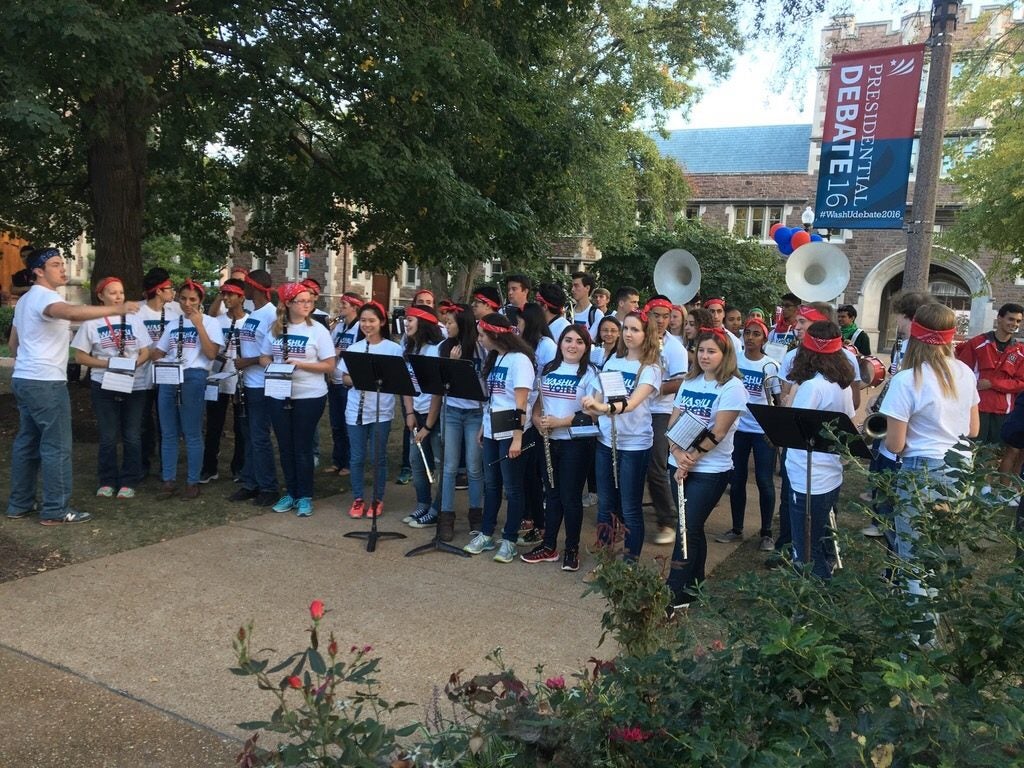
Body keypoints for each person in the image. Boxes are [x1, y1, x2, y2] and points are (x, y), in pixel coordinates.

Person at [7, 248, 141, 525]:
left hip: (24, 378)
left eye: (63, 263)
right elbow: (68, 312)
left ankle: (19, 503)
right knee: (56, 446)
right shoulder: (46, 297)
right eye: (55, 265)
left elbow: (12, 345)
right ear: (38, 271)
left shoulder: (23, 302)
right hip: (46, 382)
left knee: (27, 442)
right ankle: (56, 509)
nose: (63, 269)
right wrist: (117, 308)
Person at [881, 304, 979, 603]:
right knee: (941, 551)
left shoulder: (907, 379)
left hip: (922, 471)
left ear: (916, 335)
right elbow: (973, 429)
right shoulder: (963, 372)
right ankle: (935, 622)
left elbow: (894, 446)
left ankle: (919, 640)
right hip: (961, 469)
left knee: (914, 556)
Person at [665, 326, 746, 614]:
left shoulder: (732, 387)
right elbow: (673, 423)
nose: (704, 356)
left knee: (686, 529)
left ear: (725, 355)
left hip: (710, 469)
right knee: (693, 529)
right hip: (678, 465)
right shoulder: (690, 381)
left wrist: (690, 458)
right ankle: (693, 588)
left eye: (712, 351)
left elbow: (720, 431)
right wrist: (676, 453)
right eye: (701, 350)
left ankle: (672, 593)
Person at [582, 310, 663, 563]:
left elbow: (632, 403)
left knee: (630, 508)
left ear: (646, 333)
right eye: (625, 328)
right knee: (605, 505)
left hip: (634, 445)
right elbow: (597, 394)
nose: (628, 334)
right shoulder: (613, 362)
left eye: (635, 329)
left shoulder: (650, 369)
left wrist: (602, 408)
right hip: (607, 442)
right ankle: (605, 561)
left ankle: (629, 563)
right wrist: (592, 405)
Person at [521, 325, 599, 572]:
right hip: (549, 441)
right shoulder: (549, 369)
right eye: (568, 340)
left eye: (579, 341)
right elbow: (539, 404)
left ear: (586, 347)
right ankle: (549, 546)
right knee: (552, 495)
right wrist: (536, 422)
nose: (572, 345)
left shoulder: (590, 373)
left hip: (576, 443)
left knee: (570, 498)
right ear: (560, 343)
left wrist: (559, 423)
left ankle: (572, 549)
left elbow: (593, 413)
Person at [783, 321, 856, 579]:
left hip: (808, 475)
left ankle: (815, 601)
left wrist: (790, 397)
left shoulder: (812, 386)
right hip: (829, 472)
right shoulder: (841, 384)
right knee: (822, 537)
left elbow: (794, 427)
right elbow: (848, 419)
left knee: (806, 550)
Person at [464, 313, 536, 563]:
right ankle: (486, 532)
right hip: (493, 429)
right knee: (491, 484)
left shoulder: (520, 361)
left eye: (482, 335)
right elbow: (495, 398)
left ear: (495, 334)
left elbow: (521, 403)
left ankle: (510, 538)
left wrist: (517, 439)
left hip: (511, 434)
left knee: (513, 487)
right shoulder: (497, 358)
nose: (480, 340)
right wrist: (485, 426)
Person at [71, 276, 152, 500]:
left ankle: (129, 480)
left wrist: (136, 363)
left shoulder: (134, 320)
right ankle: (106, 480)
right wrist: (107, 363)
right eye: (113, 293)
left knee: (132, 435)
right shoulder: (92, 322)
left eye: (121, 292)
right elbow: (79, 356)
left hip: (134, 385)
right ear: (101, 296)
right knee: (108, 436)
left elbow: (146, 350)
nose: (119, 297)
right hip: (104, 383)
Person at [258, 283, 335, 517]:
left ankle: (304, 495)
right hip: (279, 392)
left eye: (309, 301)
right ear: (288, 304)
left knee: (301, 446)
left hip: (309, 395)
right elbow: (263, 357)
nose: (307, 305)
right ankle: (290, 492)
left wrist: (301, 365)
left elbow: (329, 364)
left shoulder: (317, 330)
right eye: (301, 301)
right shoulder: (276, 329)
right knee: (285, 445)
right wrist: (275, 367)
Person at [151, 280, 223, 500]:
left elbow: (211, 354)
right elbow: (159, 351)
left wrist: (198, 324)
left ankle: (192, 480)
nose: (187, 303)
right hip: (169, 375)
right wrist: (160, 360)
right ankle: (169, 479)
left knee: (191, 431)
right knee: (168, 431)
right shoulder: (173, 324)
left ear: (200, 301)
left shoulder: (211, 322)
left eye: (192, 299)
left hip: (193, 375)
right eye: (183, 298)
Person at [338, 301, 404, 518]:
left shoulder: (393, 349)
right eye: (364, 320)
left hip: (380, 411)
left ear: (382, 322)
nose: (367, 325)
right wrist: (360, 379)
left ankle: (377, 498)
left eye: (372, 321)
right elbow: (343, 377)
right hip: (355, 410)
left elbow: (397, 379)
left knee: (378, 457)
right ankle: (358, 497)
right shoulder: (355, 349)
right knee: (356, 457)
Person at [720, 318, 780, 550]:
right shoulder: (734, 361)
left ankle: (766, 533)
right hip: (738, 429)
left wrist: (773, 430)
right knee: (737, 479)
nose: (750, 338)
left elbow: (776, 400)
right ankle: (737, 528)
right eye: (748, 333)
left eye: (756, 334)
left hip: (761, 431)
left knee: (764, 480)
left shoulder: (770, 365)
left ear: (764, 339)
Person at [956, 302, 1024, 495]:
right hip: (976, 407)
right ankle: (967, 487)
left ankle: (985, 486)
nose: (1014, 324)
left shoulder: (1020, 351)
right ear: (999, 318)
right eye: (1010, 319)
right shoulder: (977, 343)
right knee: (971, 448)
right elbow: (961, 371)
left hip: (1004, 409)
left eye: (1018, 321)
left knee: (996, 452)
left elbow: (1021, 383)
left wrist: (993, 383)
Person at [229, 269, 280, 507]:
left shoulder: (271, 315)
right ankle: (250, 482)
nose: (242, 290)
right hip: (247, 383)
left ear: (254, 288)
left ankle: (268, 486)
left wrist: (246, 362)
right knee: (248, 435)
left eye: (245, 286)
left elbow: (270, 353)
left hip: (262, 384)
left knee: (259, 437)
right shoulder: (253, 315)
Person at [437, 303, 486, 536]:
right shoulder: (443, 347)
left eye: (449, 323)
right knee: (449, 468)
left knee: (474, 468)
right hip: (452, 411)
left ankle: (476, 515)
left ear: (463, 324)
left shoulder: (480, 348)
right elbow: (442, 384)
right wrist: (452, 366)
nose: (446, 327)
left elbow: (486, 383)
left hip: (476, 413)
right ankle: (446, 517)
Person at [644, 295, 689, 546]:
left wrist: (650, 388)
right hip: (635, 410)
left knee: (656, 466)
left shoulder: (675, 347)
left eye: (666, 316)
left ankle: (667, 521)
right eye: (656, 315)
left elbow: (680, 382)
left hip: (660, 411)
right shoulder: (639, 339)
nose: (661, 321)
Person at [511, 303, 557, 545]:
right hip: (526, 415)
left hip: (539, 414)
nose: (517, 326)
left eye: (520, 322)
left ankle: (540, 522)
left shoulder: (547, 345)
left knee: (537, 473)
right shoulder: (524, 346)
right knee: (527, 473)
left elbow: (546, 381)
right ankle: (529, 516)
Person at [401, 305, 446, 534]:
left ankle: (437, 509)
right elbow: (405, 383)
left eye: (410, 320)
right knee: (416, 462)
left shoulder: (436, 349)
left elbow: (437, 391)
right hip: (416, 413)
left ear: (423, 323)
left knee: (438, 464)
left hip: (434, 415)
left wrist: (428, 424)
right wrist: (409, 413)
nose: (406, 324)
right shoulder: (408, 346)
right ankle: (422, 504)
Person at [201, 279, 249, 484]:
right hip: (218, 376)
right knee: (214, 424)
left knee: (241, 424)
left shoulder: (250, 321)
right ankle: (209, 467)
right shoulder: (216, 321)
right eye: (224, 294)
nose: (226, 298)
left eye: (231, 294)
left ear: (242, 297)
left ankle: (239, 467)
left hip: (240, 378)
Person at [136, 267, 182, 478]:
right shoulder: (138, 311)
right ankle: (143, 462)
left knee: (167, 421)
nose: (172, 292)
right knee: (144, 420)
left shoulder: (176, 311)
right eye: (169, 288)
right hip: (143, 374)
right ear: (158, 290)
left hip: (168, 374)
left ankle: (167, 464)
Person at [324, 292, 364, 476]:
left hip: (347, 384)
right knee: (336, 424)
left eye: (344, 305)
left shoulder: (359, 328)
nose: (340, 308)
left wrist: (342, 352)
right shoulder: (339, 327)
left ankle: (349, 461)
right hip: (333, 381)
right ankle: (337, 460)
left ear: (355, 308)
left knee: (348, 424)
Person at [570, 271, 603, 340]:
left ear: (587, 288)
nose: (572, 289)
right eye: (572, 286)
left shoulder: (596, 314)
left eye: (576, 286)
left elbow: (588, 340)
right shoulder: (568, 310)